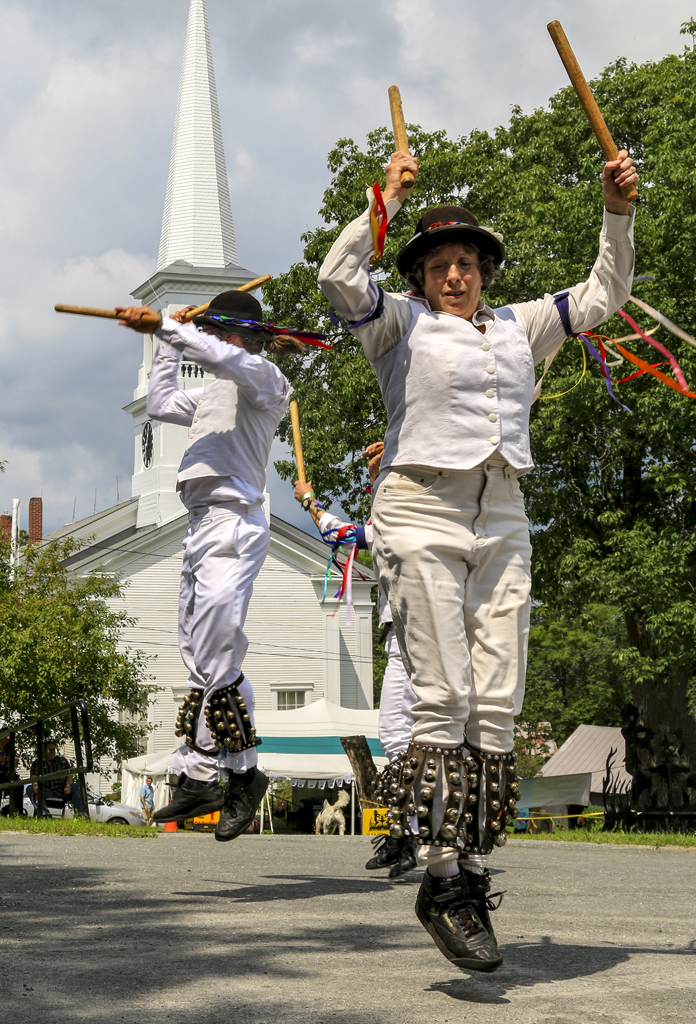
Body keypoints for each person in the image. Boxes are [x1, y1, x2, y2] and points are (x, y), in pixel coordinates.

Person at [318, 147, 638, 971]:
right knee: (443, 695)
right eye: (438, 266)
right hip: (420, 506)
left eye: (466, 263)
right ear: (419, 277)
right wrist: (381, 201)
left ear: (484, 271)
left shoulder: (524, 325)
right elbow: (336, 279)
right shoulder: (396, 325)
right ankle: (440, 874)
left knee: (496, 701)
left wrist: (615, 208)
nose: (454, 276)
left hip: (502, 510)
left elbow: (607, 293)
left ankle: (471, 868)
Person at [117, 289, 308, 842]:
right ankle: (221, 775)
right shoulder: (213, 394)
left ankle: (213, 770)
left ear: (247, 337)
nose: (220, 341)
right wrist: (165, 342)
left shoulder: (264, 377)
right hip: (200, 522)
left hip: (235, 517)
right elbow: (160, 402)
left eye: (226, 333)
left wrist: (171, 328)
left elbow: (231, 360)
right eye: (217, 332)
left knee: (219, 645)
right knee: (202, 655)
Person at [293, 441, 417, 879]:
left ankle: (409, 834)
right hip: (405, 631)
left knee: (399, 734)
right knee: (401, 734)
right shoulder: (405, 510)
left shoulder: (404, 514)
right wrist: (377, 472)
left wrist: (309, 499)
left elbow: (339, 533)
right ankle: (405, 832)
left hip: (411, 634)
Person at [30, 741, 83, 816]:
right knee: (30, 789)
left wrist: (68, 785)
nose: (52, 752)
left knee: (78, 786)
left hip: (61, 790)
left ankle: (80, 815)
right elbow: (34, 776)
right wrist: (35, 785)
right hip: (46, 791)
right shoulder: (37, 763)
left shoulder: (62, 761)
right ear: (44, 751)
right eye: (49, 750)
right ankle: (45, 814)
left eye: (53, 750)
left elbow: (69, 774)